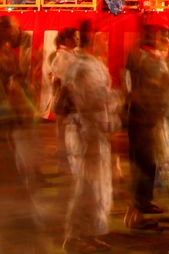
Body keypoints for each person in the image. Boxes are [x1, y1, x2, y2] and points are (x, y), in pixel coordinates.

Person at [62, 21, 115, 252]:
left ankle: (91, 233)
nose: (103, 42)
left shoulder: (92, 64)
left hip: (96, 131)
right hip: (85, 132)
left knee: (98, 187)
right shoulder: (80, 66)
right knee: (86, 186)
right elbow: (89, 99)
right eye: (99, 37)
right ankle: (74, 236)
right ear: (90, 38)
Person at [124, 28, 169, 228]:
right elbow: (147, 88)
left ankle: (143, 204)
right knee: (142, 165)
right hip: (142, 120)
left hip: (146, 118)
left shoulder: (147, 60)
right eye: (158, 37)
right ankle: (135, 215)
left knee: (148, 165)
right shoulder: (145, 61)